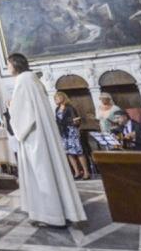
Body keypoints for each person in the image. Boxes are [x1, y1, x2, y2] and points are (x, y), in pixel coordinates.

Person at [8, 53, 86, 228]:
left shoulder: (22, 80)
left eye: (8, 64)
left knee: (41, 173)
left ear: (15, 64)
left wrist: (10, 108)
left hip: (34, 136)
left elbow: (22, 113)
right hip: (41, 133)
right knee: (48, 171)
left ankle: (50, 215)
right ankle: (60, 211)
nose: (8, 68)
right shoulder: (33, 78)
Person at [54, 92, 90, 180]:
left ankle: (86, 172)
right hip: (63, 132)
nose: (56, 99)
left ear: (63, 98)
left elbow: (76, 119)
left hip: (71, 131)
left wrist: (73, 122)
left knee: (78, 151)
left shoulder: (69, 108)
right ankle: (76, 172)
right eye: (55, 98)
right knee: (69, 152)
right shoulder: (57, 109)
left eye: (58, 97)